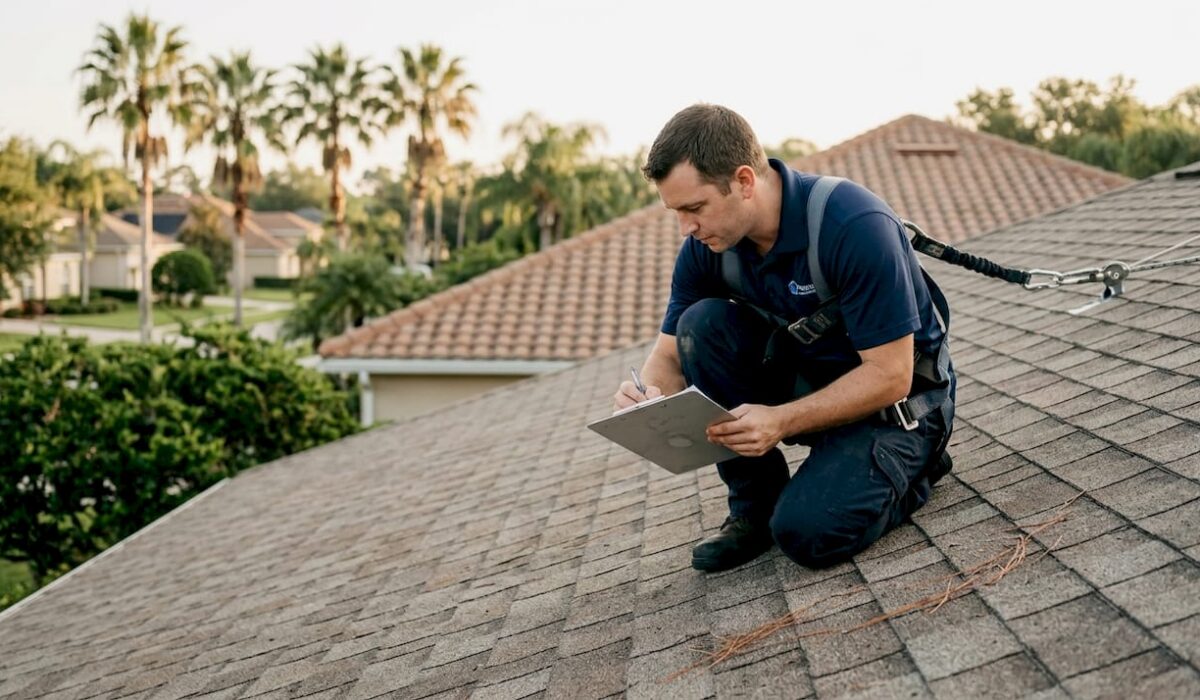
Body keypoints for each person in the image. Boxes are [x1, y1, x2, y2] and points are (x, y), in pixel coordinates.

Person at [613, 104, 956, 573]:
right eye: (676, 212)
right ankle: (754, 510)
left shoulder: (852, 224)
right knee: (701, 325)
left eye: (694, 208)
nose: (686, 228)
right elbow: (669, 357)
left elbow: (891, 376)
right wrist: (647, 398)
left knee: (807, 534)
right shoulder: (707, 247)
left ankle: (919, 470)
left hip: (897, 410)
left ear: (744, 181)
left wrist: (780, 420)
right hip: (813, 391)